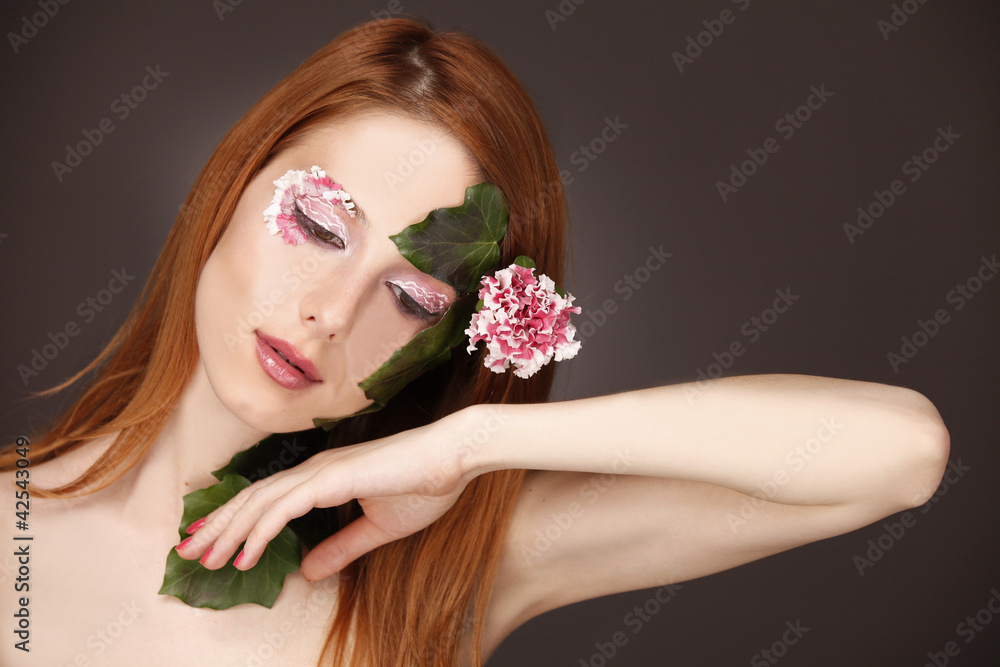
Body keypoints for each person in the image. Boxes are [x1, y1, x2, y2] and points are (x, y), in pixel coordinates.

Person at [0, 16, 949, 667]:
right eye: (323, 227)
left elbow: (900, 451)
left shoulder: (448, 576)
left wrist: (469, 444)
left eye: (411, 298)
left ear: (457, 339)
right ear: (232, 184)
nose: (331, 310)